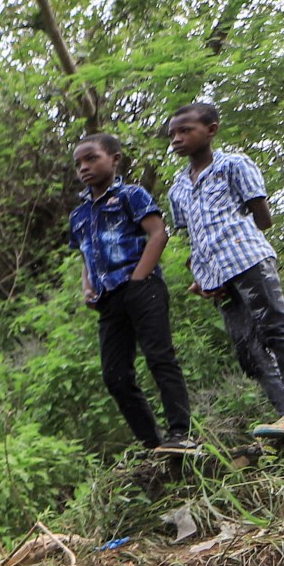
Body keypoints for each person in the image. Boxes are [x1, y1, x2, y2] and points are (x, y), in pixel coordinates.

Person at [165, 101, 284, 439]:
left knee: (275, 329)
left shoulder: (233, 165)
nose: (177, 139)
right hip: (215, 276)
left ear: (211, 130)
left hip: (248, 260)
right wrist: (200, 274)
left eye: (186, 130)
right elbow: (194, 236)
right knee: (248, 350)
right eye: (172, 134)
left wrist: (233, 239)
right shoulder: (178, 188)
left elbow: (264, 218)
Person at [70, 133, 194, 452]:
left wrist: (139, 279)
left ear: (114, 159)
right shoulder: (79, 214)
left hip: (143, 287)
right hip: (108, 299)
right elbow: (86, 254)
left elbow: (158, 234)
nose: (84, 167)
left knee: (159, 357)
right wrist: (87, 287)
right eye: (78, 163)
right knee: (115, 376)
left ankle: (181, 434)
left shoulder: (131, 195)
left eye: (92, 158)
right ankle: (152, 444)